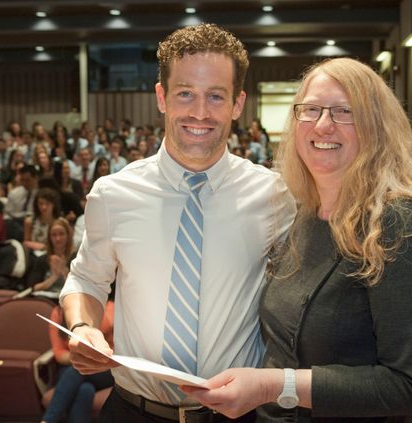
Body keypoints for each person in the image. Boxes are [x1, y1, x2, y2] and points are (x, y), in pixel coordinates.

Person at [184, 57, 412, 421]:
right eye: (311, 110)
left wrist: (273, 386)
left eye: (344, 111)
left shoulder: (402, 223)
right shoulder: (306, 212)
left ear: (377, 127)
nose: (323, 125)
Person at [60, 23, 296, 422]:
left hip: (237, 416)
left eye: (215, 96)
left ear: (238, 104)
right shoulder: (113, 194)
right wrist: (84, 326)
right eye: (185, 93)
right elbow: (87, 278)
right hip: (133, 411)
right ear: (161, 97)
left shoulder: (271, 196)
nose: (200, 113)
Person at [41, 300, 114, 423]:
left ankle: (48, 420)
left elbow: (115, 351)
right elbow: (59, 354)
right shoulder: (59, 312)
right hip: (71, 367)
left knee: (76, 370)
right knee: (85, 390)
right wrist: (83, 358)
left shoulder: (110, 308)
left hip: (105, 368)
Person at [27, 218, 75, 301]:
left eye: (61, 234)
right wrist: (54, 277)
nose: (58, 238)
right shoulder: (42, 259)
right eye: (54, 235)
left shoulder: (76, 259)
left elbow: (79, 288)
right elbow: (34, 288)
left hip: (68, 300)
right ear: (49, 237)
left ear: (68, 236)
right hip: (46, 300)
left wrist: (64, 271)